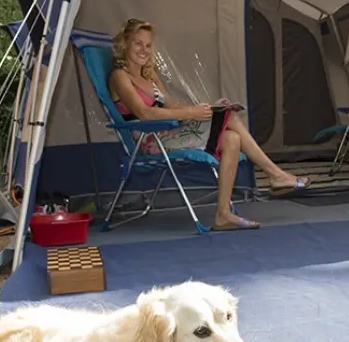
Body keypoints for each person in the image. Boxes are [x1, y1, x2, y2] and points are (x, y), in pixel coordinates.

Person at [108, 18, 311, 231]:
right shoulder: (120, 76)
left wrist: (206, 110)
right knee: (230, 118)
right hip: (149, 139)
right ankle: (276, 175)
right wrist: (191, 113)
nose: (144, 50)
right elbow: (144, 112)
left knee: (232, 137)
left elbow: (173, 105)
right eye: (138, 43)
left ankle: (223, 214)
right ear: (125, 43)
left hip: (169, 131)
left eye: (148, 45)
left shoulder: (149, 76)